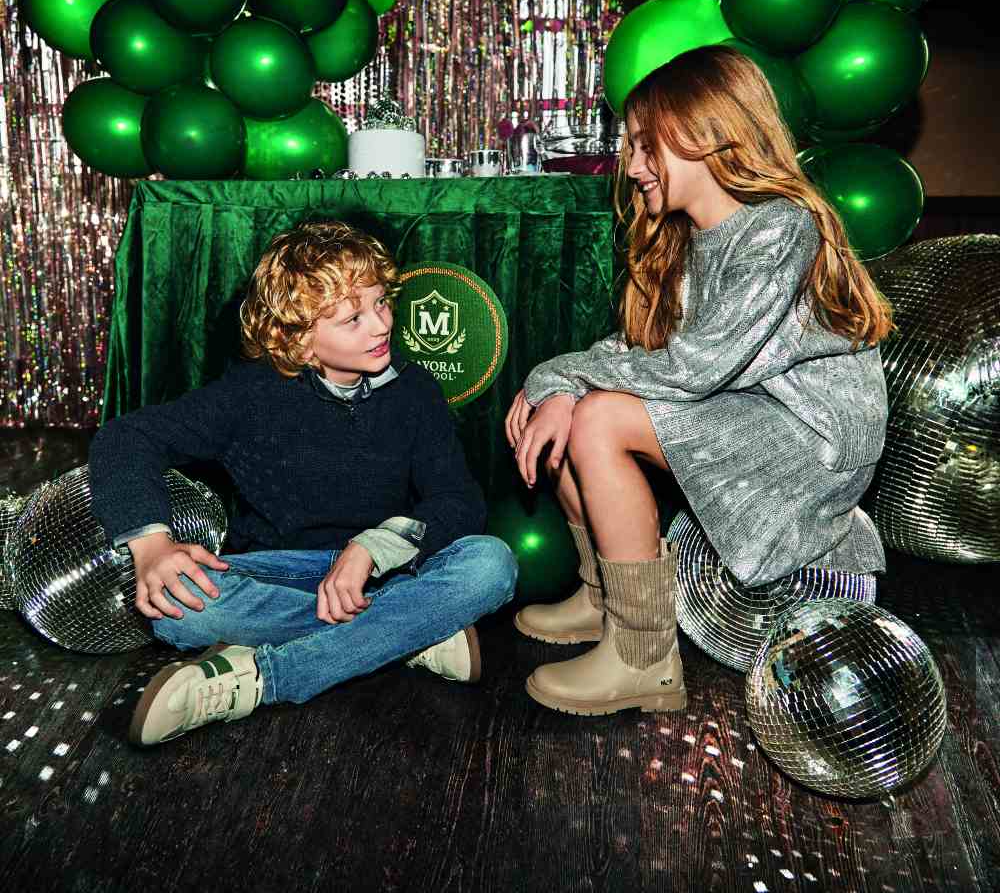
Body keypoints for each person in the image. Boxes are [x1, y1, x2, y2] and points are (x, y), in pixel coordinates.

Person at [505, 45, 892, 716]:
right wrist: (559, 388)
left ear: (708, 136)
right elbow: (643, 350)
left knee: (598, 415)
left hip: (812, 440)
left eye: (646, 146)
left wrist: (559, 376)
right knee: (575, 408)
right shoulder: (692, 238)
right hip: (748, 410)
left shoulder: (779, 229)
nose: (632, 167)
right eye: (631, 147)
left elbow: (694, 367)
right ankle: (605, 598)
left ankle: (643, 657)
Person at [89, 221, 517, 746]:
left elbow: (458, 500)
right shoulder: (250, 394)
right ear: (299, 337)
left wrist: (372, 548)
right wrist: (151, 547)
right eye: (352, 318)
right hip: (283, 572)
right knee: (175, 610)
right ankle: (408, 635)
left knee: (491, 563)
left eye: (381, 303)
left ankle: (266, 679)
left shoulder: (412, 388)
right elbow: (125, 438)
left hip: (384, 570)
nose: (380, 326)